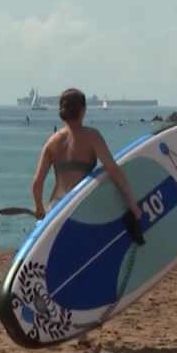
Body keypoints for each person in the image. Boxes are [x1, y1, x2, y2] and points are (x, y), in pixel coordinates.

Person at [31, 88, 144, 244]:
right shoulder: (92, 136)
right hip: (82, 207)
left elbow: (37, 183)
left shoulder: (51, 142)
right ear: (82, 110)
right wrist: (132, 204)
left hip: (56, 209)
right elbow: (113, 170)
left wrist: (40, 209)